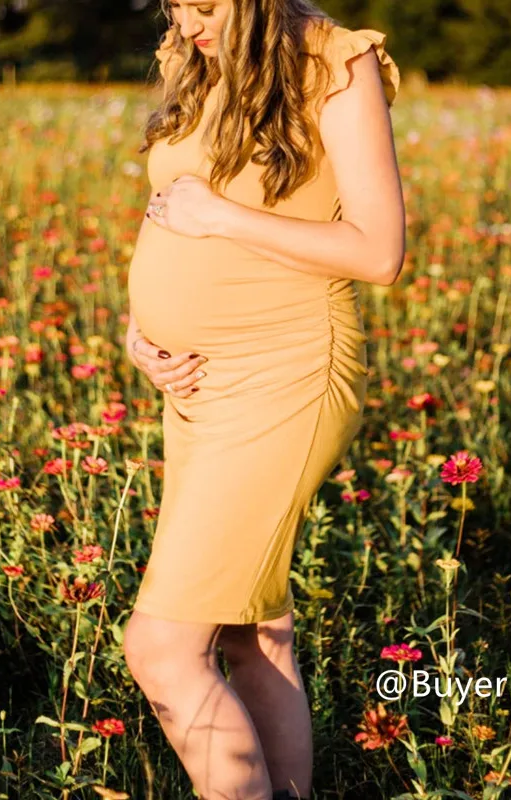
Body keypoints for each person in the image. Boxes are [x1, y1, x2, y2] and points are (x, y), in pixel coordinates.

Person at [123, 1, 404, 797]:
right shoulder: (204, 61)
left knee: (162, 648)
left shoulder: (334, 66)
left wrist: (221, 216)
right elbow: (169, 212)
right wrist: (138, 332)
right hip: (198, 385)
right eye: (174, 4)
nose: (184, 21)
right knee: (252, 631)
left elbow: (379, 252)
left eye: (204, 5)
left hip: (285, 372)